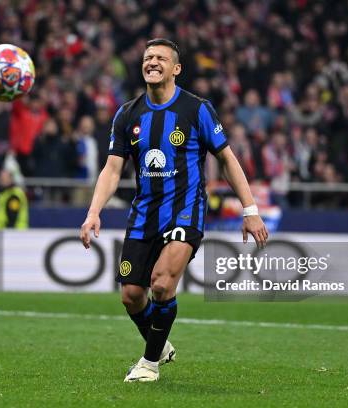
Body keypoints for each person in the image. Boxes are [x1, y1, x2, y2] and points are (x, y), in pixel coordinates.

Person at [79, 39, 268, 383]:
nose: (152, 62)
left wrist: (250, 209)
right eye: (147, 57)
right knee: (132, 297)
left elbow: (227, 158)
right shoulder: (127, 113)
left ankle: (149, 364)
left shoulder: (197, 109)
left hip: (185, 210)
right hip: (144, 214)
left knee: (162, 285)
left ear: (175, 68)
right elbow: (112, 168)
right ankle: (160, 342)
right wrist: (94, 212)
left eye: (160, 58)